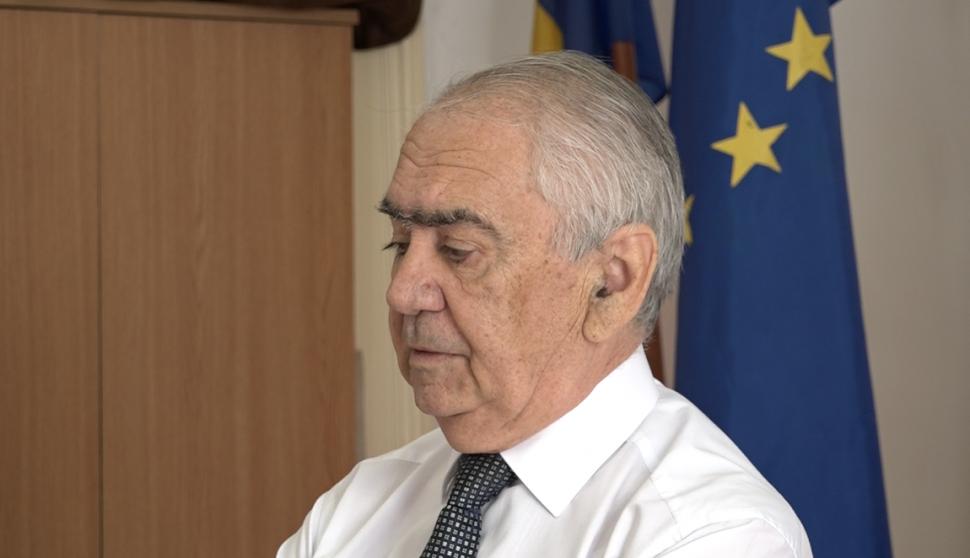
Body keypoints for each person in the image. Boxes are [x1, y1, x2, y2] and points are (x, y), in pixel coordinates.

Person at [278, 51, 812, 557]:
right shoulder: (356, 510)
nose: (401, 292)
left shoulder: (710, 535)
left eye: (459, 251)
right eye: (399, 244)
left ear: (613, 281)